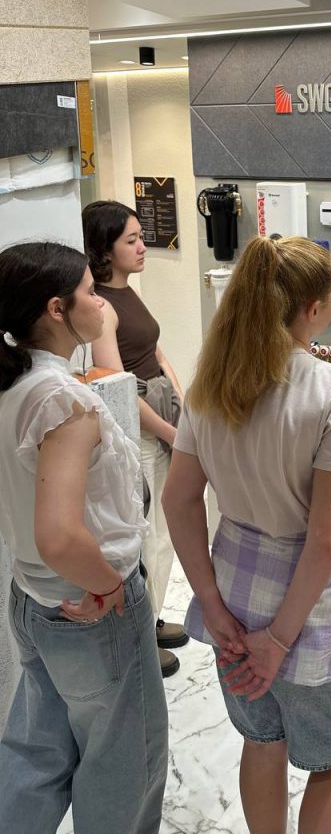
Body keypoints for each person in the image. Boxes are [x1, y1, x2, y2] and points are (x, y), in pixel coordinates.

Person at [162, 235, 331, 834]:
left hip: (235, 593)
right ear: (314, 309)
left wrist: (211, 604)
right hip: (311, 608)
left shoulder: (209, 384)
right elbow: (324, 540)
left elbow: (178, 499)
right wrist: (278, 639)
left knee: (262, 740)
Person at [0, 242, 167, 834]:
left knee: (38, 750)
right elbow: (60, 536)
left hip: (34, 599)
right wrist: (109, 588)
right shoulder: (61, 401)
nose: (102, 303)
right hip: (87, 606)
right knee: (125, 760)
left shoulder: (18, 385)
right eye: (91, 293)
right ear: (56, 309)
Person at [82, 200, 188, 678]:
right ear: (105, 250)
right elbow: (118, 385)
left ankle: (154, 616)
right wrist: (170, 432)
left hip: (165, 419)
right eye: (132, 240)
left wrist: (183, 402)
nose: (144, 246)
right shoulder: (102, 307)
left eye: (141, 236)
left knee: (165, 534)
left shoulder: (129, 291)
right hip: (143, 433)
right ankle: (139, 637)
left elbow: (156, 354)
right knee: (146, 537)